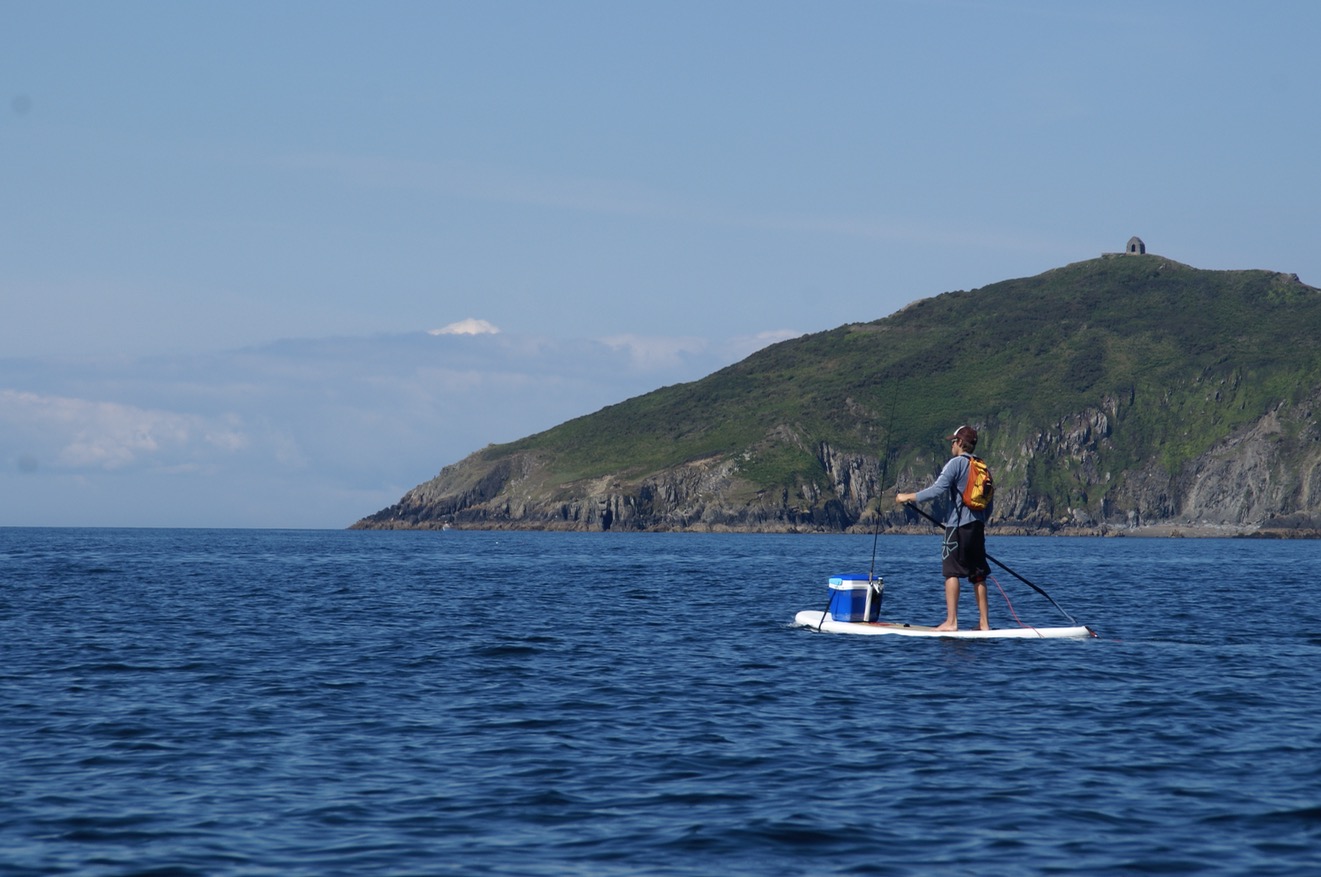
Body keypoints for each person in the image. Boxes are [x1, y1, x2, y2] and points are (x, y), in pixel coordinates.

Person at [896, 425, 992, 631]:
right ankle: (984, 623)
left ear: (959, 443)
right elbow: (987, 501)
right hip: (977, 527)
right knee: (978, 574)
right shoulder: (981, 465)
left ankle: (951, 622)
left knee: (952, 573)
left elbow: (937, 490)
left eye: (953, 441)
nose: (951, 445)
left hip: (957, 527)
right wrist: (980, 522)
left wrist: (907, 497)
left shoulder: (955, 464)